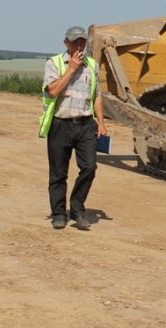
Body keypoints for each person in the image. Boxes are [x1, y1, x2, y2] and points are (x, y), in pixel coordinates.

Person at [40, 26, 107, 230]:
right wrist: (71, 69)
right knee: (58, 173)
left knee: (89, 167)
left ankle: (77, 210)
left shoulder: (92, 65)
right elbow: (52, 91)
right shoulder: (54, 63)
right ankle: (59, 213)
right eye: (75, 41)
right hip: (61, 123)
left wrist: (102, 123)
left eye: (82, 41)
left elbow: (96, 95)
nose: (79, 45)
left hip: (85, 124)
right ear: (66, 43)